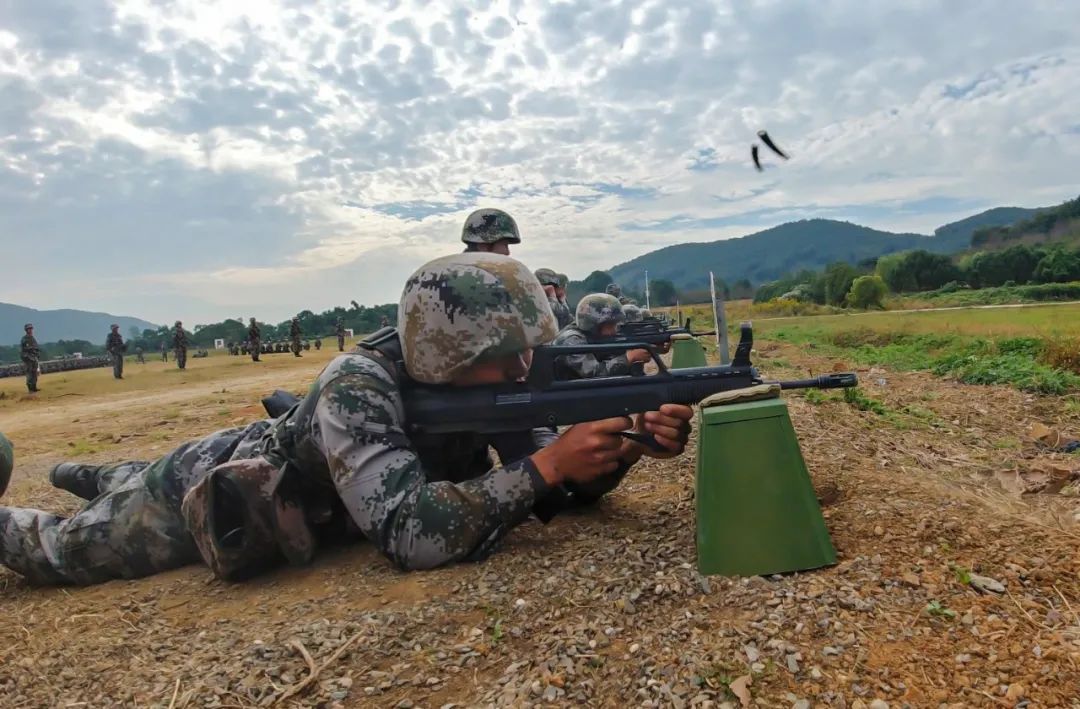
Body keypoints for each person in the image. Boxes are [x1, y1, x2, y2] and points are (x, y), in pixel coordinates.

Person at [0, 253, 692, 585]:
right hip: (216, 482)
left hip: (315, 493)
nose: (524, 371)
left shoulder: (486, 382)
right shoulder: (358, 382)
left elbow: (555, 480)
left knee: (109, 475)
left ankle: (86, 470)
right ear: (449, 351)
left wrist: (622, 447)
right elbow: (409, 534)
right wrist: (546, 464)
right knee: (64, 552)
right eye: (507, 356)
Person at [551, 294, 651, 380]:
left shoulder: (591, 336)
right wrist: (629, 358)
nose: (615, 330)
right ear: (594, 323)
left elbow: (608, 356)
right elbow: (595, 374)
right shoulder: (571, 340)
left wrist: (652, 348)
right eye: (611, 324)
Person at [20, 324, 41, 393]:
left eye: (31, 329)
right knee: (29, 374)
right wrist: (32, 348)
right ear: (26, 330)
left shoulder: (32, 338)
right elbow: (26, 348)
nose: (31, 330)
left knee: (34, 373)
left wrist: (37, 353)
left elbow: (36, 347)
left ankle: (34, 388)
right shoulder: (24, 339)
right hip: (28, 358)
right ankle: (30, 389)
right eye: (29, 329)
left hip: (34, 358)